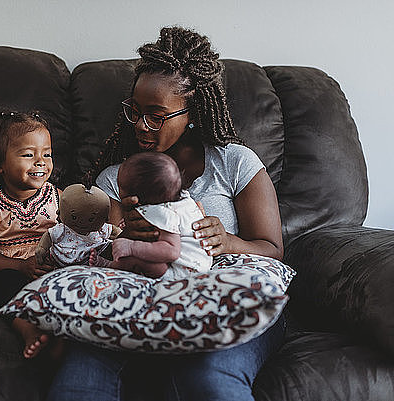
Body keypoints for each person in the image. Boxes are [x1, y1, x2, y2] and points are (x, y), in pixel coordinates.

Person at [47, 26, 284, 401]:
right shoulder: (117, 179)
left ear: (192, 112)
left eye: (156, 116)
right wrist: (128, 236)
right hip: (139, 303)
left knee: (208, 379)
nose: (141, 125)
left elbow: (272, 249)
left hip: (228, 299)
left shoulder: (234, 163)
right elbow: (107, 253)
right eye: (136, 112)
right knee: (80, 380)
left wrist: (227, 241)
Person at [0, 111, 59, 359]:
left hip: (47, 266)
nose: (40, 162)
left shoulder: (58, 196)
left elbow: (79, 224)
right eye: (29, 155)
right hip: (8, 269)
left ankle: (61, 325)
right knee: (3, 285)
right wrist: (19, 267)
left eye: (46, 154)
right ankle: (27, 330)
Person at [89, 151, 212, 280]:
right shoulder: (184, 200)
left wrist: (131, 247)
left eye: (121, 187)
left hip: (183, 273)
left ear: (138, 198)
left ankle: (109, 266)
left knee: (137, 259)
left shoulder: (165, 214)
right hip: (199, 265)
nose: (119, 191)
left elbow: (171, 252)